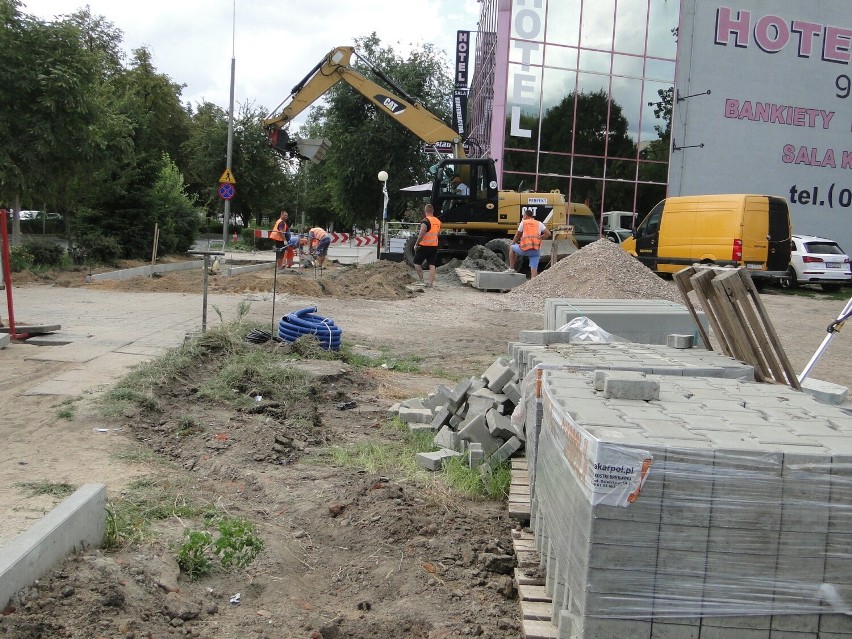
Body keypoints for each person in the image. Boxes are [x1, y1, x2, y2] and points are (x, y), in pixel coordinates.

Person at [509, 209, 551, 278]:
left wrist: (513, 243)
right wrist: (540, 238)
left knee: (511, 248)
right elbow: (548, 233)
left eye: (523, 216)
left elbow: (517, 235)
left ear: (525, 216)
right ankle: (532, 286)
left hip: (525, 249)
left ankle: (511, 269)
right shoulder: (539, 223)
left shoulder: (524, 222)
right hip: (535, 251)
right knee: (534, 272)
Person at [413, 203, 441, 287]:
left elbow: (421, 234)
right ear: (433, 211)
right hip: (434, 246)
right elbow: (437, 232)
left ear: (425, 211)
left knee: (416, 263)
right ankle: (431, 283)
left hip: (424, 246)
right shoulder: (437, 221)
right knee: (432, 264)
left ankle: (421, 280)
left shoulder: (425, 221)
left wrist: (416, 244)